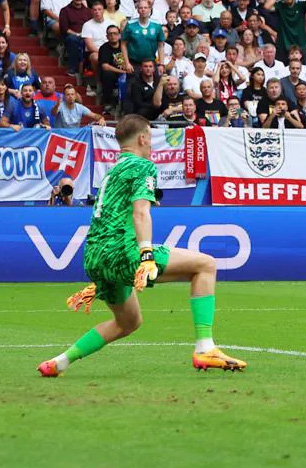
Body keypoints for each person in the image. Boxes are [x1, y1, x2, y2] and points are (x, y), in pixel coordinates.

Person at [38, 115, 248, 378]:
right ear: (142, 138)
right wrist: (146, 254)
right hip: (123, 252)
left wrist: (103, 274)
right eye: (150, 137)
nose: (151, 143)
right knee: (206, 265)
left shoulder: (113, 171)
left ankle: (59, 362)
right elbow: (140, 212)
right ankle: (205, 348)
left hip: (94, 257)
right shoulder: (142, 166)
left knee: (128, 322)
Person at [121, 0, 165, 73]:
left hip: (150, 62)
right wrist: (127, 63)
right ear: (137, 10)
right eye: (141, 8)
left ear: (150, 9)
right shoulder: (130, 25)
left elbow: (161, 46)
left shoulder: (157, 25)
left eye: (145, 7)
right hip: (134, 62)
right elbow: (123, 44)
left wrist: (161, 64)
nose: (143, 10)